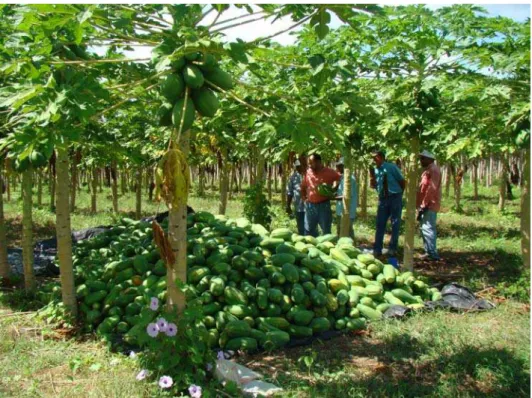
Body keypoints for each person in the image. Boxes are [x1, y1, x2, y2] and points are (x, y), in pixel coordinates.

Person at [370, 150, 405, 257]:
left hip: (395, 197)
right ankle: (377, 249)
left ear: (381, 157)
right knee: (380, 224)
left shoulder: (391, 167)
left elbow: (402, 181)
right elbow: (376, 185)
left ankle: (392, 248)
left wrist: (399, 194)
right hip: (383, 198)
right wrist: (373, 182)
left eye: (375, 157)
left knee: (395, 223)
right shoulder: (375, 170)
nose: (373, 160)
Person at [301, 154, 341, 237]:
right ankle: (310, 248)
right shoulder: (308, 172)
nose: (310, 165)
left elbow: (339, 178)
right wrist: (304, 197)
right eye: (309, 163)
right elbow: (303, 186)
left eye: (311, 163)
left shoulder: (329, 172)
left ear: (319, 162)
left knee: (326, 230)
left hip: (324, 205)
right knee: (308, 230)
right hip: (310, 205)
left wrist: (334, 189)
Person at [416, 150, 442, 261]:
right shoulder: (428, 170)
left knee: (428, 228)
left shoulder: (433, 170)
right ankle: (428, 251)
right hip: (425, 204)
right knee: (424, 228)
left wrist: (424, 203)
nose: (421, 161)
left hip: (429, 205)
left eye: (423, 158)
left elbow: (432, 188)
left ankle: (432, 254)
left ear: (430, 159)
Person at [334, 158, 357, 238]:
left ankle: (352, 248)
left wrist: (333, 198)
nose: (337, 168)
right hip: (341, 210)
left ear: (344, 166)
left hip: (347, 210)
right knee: (340, 230)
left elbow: (346, 196)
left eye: (339, 166)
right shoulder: (343, 178)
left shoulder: (350, 178)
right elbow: (338, 190)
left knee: (348, 231)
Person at [286, 160, 305, 235]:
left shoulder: (310, 175)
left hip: (311, 206)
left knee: (310, 228)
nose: (299, 168)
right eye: (297, 167)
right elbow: (289, 192)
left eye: (300, 166)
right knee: (301, 227)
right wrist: (288, 205)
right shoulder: (293, 178)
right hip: (299, 207)